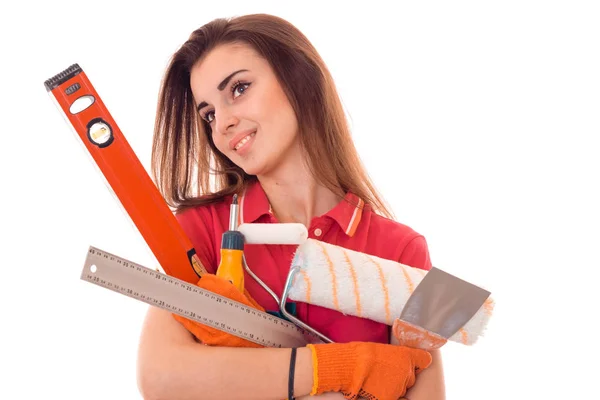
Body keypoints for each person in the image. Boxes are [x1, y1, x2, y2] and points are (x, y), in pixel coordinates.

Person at [136, 13, 446, 400]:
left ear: (299, 78)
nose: (222, 125)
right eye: (209, 114)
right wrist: (339, 367)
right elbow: (162, 377)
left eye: (239, 88)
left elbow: (423, 387)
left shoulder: (402, 249)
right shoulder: (203, 230)